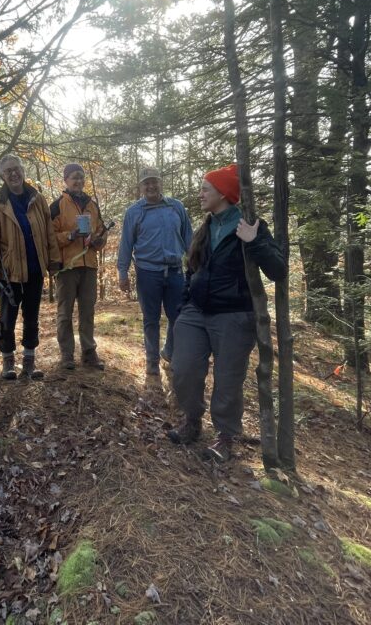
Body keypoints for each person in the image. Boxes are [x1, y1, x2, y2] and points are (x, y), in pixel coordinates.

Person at [167, 164, 287, 463]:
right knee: (183, 369)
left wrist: (254, 240)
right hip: (195, 312)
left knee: (228, 379)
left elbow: (278, 270)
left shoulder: (249, 225)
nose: (200, 194)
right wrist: (183, 310)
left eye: (205, 188)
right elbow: (190, 270)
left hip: (234, 315)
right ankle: (192, 421)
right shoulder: (205, 227)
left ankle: (224, 436)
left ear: (223, 193)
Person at [0, 155, 61, 380]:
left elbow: (49, 234)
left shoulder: (38, 199)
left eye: (16, 169)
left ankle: (29, 362)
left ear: (23, 171)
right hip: (9, 272)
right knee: (8, 318)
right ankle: (8, 363)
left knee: (32, 316)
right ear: (2, 177)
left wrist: (54, 260)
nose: (13, 174)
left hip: (35, 270)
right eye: (8, 172)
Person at [117, 167, 193, 377]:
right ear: (141, 187)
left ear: (161, 183)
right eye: (146, 183)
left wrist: (197, 265)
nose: (151, 186)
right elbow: (126, 244)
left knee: (177, 317)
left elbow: (189, 238)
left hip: (176, 271)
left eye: (154, 182)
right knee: (151, 319)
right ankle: (152, 361)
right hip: (147, 273)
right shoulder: (134, 212)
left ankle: (169, 352)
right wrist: (122, 272)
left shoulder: (176, 207)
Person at [50, 163, 109, 370]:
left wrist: (98, 241)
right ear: (65, 180)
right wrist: (70, 235)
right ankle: (67, 355)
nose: (79, 181)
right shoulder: (57, 205)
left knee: (87, 311)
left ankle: (88, 353)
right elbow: (49, 238)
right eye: (74, 177)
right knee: (65, 312)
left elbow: (102, 231)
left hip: (89, 265)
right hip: (67, 267)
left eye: (82, 178)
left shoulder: (92, 205)